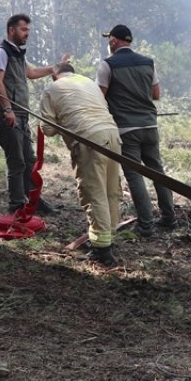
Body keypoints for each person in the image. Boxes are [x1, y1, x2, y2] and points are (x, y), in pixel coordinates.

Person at [38, 63, 123, 266]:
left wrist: (62, 121)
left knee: (95, 194)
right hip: (113, 135)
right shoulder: (89, 83)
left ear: (55, 76)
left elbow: (47, 129)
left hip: (88, 139)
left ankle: (102, 250)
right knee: (111, 190)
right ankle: (109, 237)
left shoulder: (52, 89)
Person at [97, 24, 176, 237]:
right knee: (157, 171)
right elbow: (156, 94)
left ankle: (146, 225)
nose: (108, 43)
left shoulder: (108, 65)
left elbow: (99, 97)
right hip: (150, 126)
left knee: (134, 175)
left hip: (126, 128)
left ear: (114, 41)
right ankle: (169, 218)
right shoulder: (147, 62)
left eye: (109, 40)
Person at [0, 13, 64, 215]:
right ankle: (16, 205)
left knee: (29, 161)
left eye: (28, 30)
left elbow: (31, 73)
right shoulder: (1, 53)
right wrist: (7, 109)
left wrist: (54, 68)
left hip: (21, 115)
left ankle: (34, 201)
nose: (27, 33)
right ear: (11, 30)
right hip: (7, 115)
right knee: (16, 161)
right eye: (23, 29)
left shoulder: (18, 54)